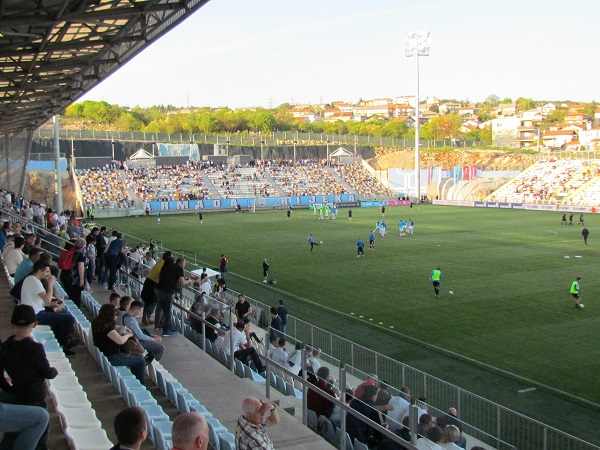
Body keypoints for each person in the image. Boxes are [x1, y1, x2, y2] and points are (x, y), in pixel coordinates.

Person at [0, 305, 58, 450]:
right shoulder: (35, 348)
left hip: (17, 393)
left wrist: (9, 389)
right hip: (34, 396)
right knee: (40, 433)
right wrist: (54, 371)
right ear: (35, 324)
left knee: (14, 432)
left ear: (12, 324)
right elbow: (46, 372)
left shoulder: (6, 345)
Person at [21, 260, 76, 354]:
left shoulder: (29, 279)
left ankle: (61, 340)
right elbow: (47, 300)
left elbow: (40, 301)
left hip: (34, 310)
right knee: (69, 318)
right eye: (46, 271)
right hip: (36, 315)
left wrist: (49, 304)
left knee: (60, 311)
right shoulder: (35, 282)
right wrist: (50, 284)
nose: (48, 274)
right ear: (39, 271)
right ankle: (64, 343)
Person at [92, 304, 146, 383]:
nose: (116, 317)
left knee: (136, 358)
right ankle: (139, 382)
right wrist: (128, 335)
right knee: (141, 361)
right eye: (115, 315)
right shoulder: (107, 328)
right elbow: (120, 341)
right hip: (112, 356)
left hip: (104, 354)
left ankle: (136, 379)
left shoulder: (96, 323)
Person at [157, 257, 194, 337]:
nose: (184, 266)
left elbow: (174, 279)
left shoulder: (171, 266)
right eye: (184, 264)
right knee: (167, 311)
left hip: (161, 289)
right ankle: (166, 330)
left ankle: (168, 327)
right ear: (181, 264)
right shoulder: (179, 269)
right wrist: (189, 280)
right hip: (167, 291)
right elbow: (183, 282)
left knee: (165, 310)